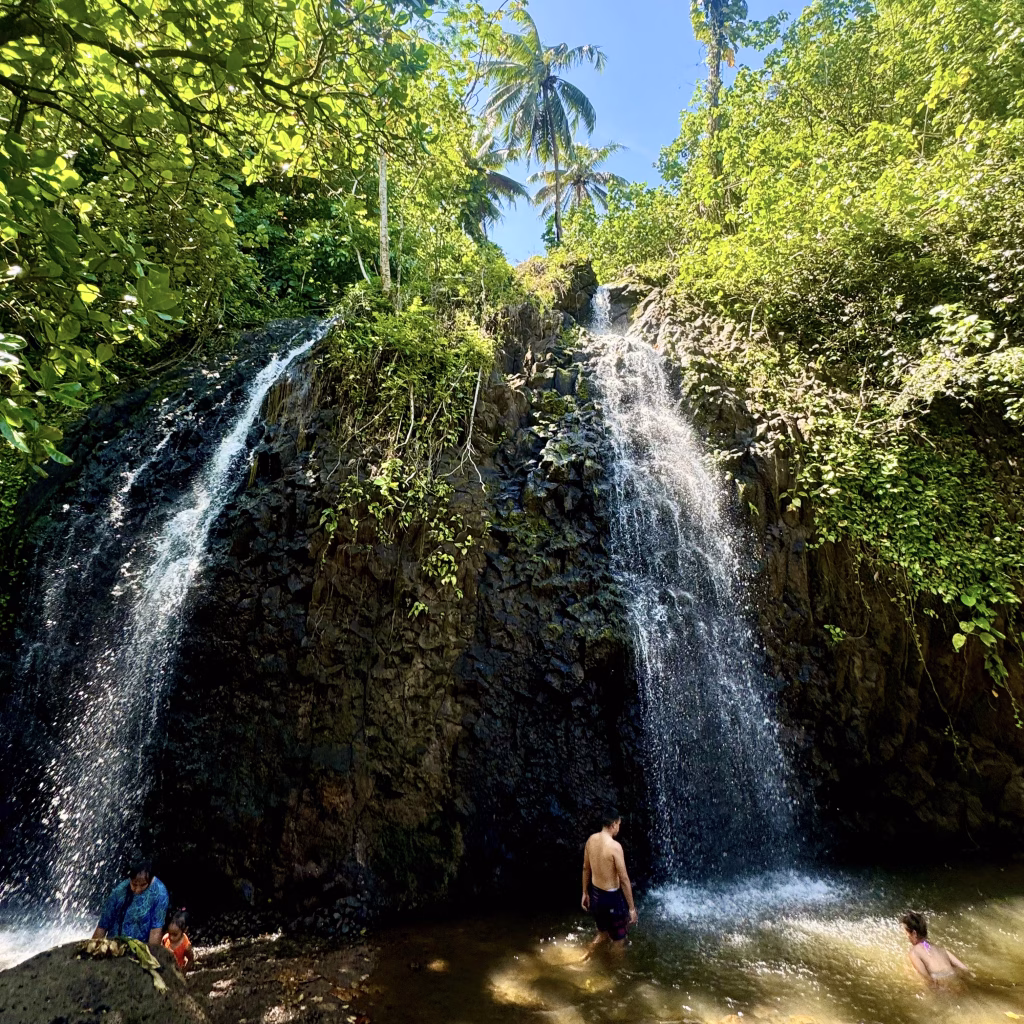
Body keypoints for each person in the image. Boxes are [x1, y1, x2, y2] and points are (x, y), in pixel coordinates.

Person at [581, 808, 637, 957]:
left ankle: (586, 955)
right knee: (619, 941)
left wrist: (584, 893)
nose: (619, 827)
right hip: (612, 899)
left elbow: (586, 868)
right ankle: (615, 974)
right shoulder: (615, 847)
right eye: (619, 824)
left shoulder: (591, 840)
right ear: (613, 825)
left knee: (602, 933)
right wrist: (631, 908)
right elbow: (624, 879)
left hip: (596, 896)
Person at [92, 856, 169, 947]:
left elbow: (156, 931)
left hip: (140, 948)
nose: (137, 889)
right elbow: (102, 925)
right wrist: (93, 949)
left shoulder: (160, 893)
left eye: (143, 885)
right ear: (130, 879)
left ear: (151, 879)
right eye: (134, 884)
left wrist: (150, 957)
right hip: (114, 946)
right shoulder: (119, 891)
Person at [902, 910, 969, 986]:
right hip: (957, 983)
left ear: (914, 933)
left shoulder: (914, 952)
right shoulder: (940, 949)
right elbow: (965, 969)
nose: (906, 936)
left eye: (906, 933)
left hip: (943, 986)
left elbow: (927, 979)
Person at [162, 908, 195, 974]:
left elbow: (191, 959)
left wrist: (184, 971)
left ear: (185, 930)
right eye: (169, 933)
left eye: (175, 935)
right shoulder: (165, 938)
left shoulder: (185, 945)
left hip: (178, 970)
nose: (171, 937)